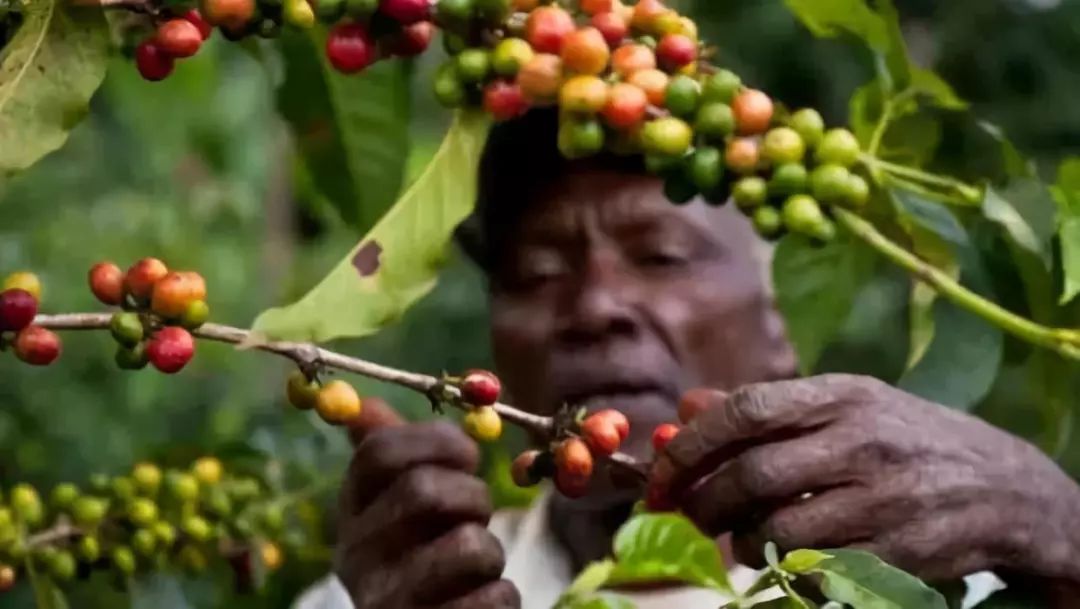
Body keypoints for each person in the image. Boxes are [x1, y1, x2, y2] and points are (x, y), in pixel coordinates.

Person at [294, 109, 1080, 609]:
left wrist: (1061, 526)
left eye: (663, 254)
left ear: (783, 324)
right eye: (536, 274)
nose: (595, 306)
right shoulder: (377, 593)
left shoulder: (939, 581)